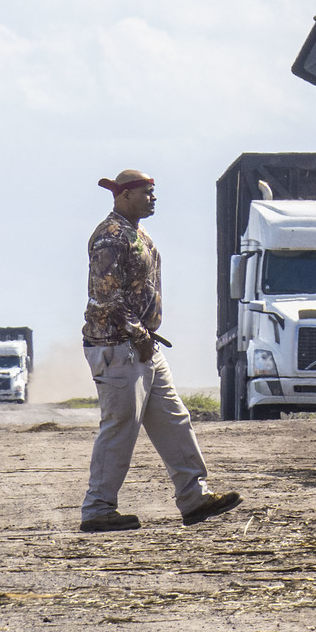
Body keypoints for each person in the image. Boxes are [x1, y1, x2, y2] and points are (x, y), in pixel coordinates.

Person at [79, 169, 241, 533]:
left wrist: (143, 336)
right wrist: (136, 333)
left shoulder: (137, 233)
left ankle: (195, 497)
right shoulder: (110, 237)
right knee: (120, 426)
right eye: (146, 193)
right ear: (124, 196)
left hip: (141, 345)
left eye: (153, 192)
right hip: (117, 345)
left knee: (173, 420)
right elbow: (106, 294)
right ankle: (97, 509)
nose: (153, 198)